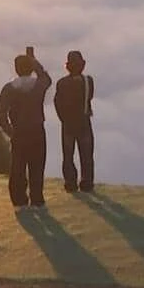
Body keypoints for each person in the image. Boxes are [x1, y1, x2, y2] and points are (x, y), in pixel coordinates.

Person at [0, 49, 52, 211]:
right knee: (37, 167)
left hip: (19, 132)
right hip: (37, 131)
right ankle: (37, 200)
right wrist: (35, 63)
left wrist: (10, 132)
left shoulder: (9, 88)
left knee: (18, 168)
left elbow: (1, 113)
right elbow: (46, 78)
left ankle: (20, 201)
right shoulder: (38, 86)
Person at [53, 50, 95, 193]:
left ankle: (71, 183)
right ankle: (86, 183)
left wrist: (63, 119)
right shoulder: (88, 81)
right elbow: (89, 98)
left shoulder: (62, 83)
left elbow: (57, 103)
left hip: (68, 124)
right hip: (83, 122)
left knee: (68, 156)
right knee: (86, 156)